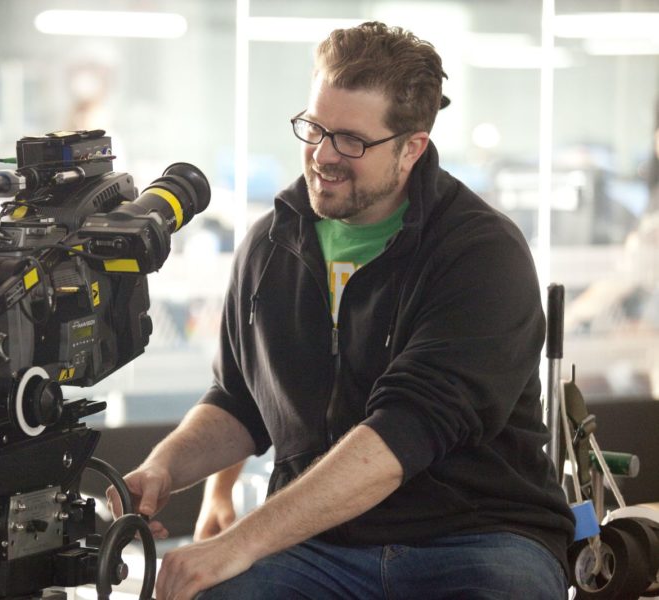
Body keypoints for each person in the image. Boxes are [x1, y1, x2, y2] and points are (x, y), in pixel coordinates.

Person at [108, 21, 575, 600]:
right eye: (315, 128)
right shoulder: (270, 247)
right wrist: (165, 467)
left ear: (411, 148)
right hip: (320, 546)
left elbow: (401, 435)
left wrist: (238, 543)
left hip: (478, 537)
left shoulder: (480, 253)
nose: (322, 155)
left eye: (351, 140)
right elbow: (239, 402)